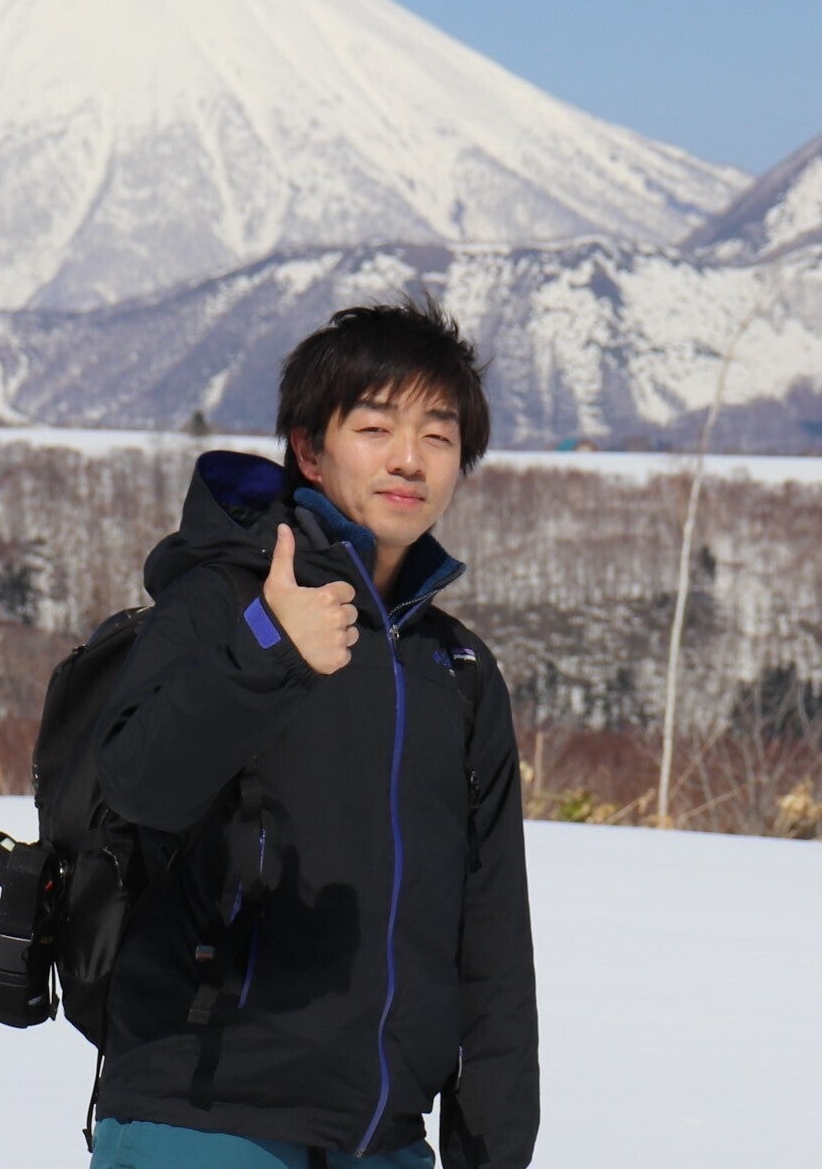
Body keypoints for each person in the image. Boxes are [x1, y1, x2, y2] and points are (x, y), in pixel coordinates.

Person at [90, 299, 539, 1169]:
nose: (409, 458)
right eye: (374, 427)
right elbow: (137, 781)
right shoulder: (224, 603)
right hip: (205, 1119)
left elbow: (492, 940)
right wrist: (269, 649)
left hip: (382, 1137)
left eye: (438, 435)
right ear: (308, 447)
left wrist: (493, 1149)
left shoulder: (457, 671)